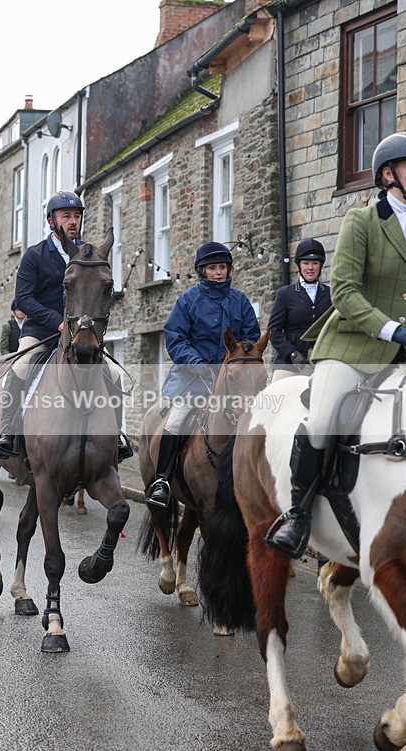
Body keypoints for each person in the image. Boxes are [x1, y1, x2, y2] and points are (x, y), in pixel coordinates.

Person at [266, 131, 406, 559]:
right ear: (389, 174)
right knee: (324, 419)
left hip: (402, 348)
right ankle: (298, 515)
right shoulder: (361, 222)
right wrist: (391, 330)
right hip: (354, 345)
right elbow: (344, 291)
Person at [0, 190, 133, 463]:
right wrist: (56, 322)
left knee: (114, 374)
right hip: (41, 333)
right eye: (66, 216)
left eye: (77, 216)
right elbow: (23, 298)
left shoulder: (89, 255)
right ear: (51, 221)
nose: (73, 221)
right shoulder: (34, 255)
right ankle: (8, 431)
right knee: (20, 369)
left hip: (81, 334)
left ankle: (115, 435)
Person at [145, 241, 261, 508]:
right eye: (212, 268)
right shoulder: (188, 300)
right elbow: (175, 338)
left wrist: (239, 360)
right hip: (191, 379)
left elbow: (251, 338)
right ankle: (162, 480)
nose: (218, 272)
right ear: (202, 271)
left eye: (222, 267)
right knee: (175, 421)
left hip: (231, 380)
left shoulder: (239, 300)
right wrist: (195, 362)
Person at [269, 239, 332, 382]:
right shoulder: (285, 294)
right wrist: (291, 353)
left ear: (320, 266)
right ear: (299, 265)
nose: (310, 268)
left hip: (322, 360)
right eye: (306, 263)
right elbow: (274, 331)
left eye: (315, 263)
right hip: (290, 362)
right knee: (275, 397)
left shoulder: (330, 294)